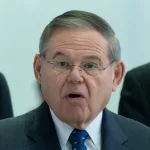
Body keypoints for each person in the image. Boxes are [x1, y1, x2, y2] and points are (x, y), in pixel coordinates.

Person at [0, 10, 150, 150]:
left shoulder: (144, 141)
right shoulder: (5, 139)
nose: (75, 77)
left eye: (90, 65)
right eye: (62, 64)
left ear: (116, 75)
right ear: (38, 70)